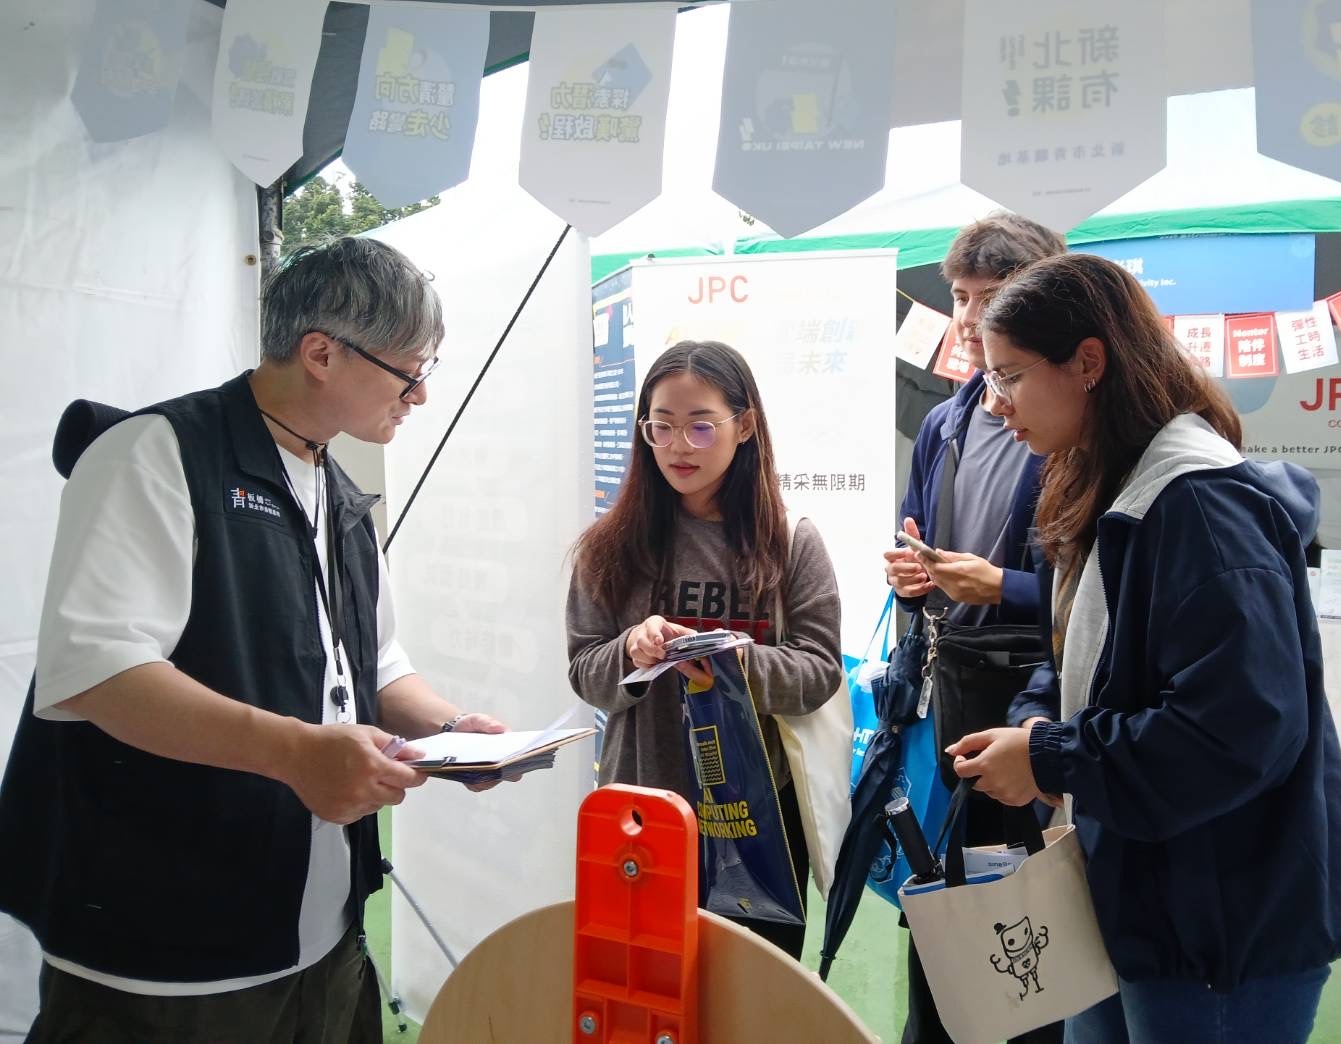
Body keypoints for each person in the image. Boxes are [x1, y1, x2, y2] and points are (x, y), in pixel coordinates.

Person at [0, 237, 508, 1043]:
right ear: (321, 354)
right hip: (165, 949)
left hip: (324, 931)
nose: (419, 395)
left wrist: (450, 732)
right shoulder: (155, 454)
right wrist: (295, 752)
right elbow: (98, 670)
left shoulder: (337, 490)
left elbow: (373, 666)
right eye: (409, 372)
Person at [947, 253, 1341, 1043]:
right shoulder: (1111, 485)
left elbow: (1238, 729)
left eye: (1007, 376)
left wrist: (1052, 758)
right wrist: (1037, 723)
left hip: (1220, 922)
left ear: (1087, 363)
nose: (993, 404)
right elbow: (1077, 658)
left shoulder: (1198, 507)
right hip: (1134, 893)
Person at [566, 340, 843, 959]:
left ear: (744, 426)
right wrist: (632, 650)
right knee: (645, 985)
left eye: (699, 426)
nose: (677, 447)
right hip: (644, 810)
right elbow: (585, 670)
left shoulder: (790, 541)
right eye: (660, 427)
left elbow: (820, 669)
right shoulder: (610, 546)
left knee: (750, 992)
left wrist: (737, 662)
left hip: (756, 821)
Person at [884, 212, 1063, 1044]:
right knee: (946, 887)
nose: (968, 318)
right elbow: (913, 539)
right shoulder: (944, 422)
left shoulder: (1074, 432)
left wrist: (1003, 587)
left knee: (1034, 913)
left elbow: (1099, 593)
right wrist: (911, 580)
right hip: (950, 688)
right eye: (959, 297)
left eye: (991, 297)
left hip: (1043, 696)